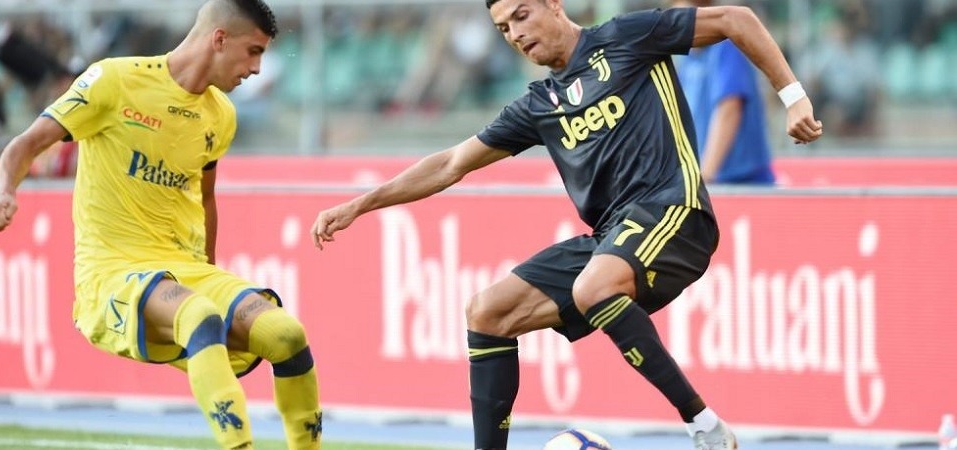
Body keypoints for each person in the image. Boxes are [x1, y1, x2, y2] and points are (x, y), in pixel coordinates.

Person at [311, 0, 821, 449]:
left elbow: (735, 19)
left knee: (592, 286)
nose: (516, 33)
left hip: (676, 211)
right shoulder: (539, 105)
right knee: (488, 312)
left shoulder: (626, 37)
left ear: (554, 4)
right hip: (613, 237)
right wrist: (361, 204)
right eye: (504, 28)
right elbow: (450, 164)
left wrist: (793, 95)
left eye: (521, 15)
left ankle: (705, 428)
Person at [0, 1, 322, 449]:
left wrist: (210, 272)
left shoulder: (221, 115)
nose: (257, 69)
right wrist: (5, 192)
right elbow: (25, 144)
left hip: (183, 268)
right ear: (219, 39)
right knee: (198, 314)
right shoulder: (113, 80)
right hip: (112, 273)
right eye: (253, 51)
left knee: (286, 334)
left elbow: (206, 197)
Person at [673, 0, 776, 185]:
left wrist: (706, 174)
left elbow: (729, 107)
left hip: (740, 180)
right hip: (708, 179)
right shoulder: (688, 58)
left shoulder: (726, 46)